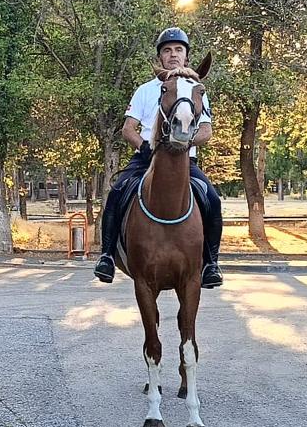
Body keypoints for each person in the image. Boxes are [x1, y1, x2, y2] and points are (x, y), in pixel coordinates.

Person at [94, 27, 223, 288]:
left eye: (178, 50)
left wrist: (184, 142)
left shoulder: (197, 89)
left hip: (184, 161)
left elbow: (206, 131)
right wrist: (145, 147)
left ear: (186, 56)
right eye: (167, 50)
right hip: (146, 159)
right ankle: (107, 255)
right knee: (117, 191)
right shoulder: (145, 90)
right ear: (160, 58)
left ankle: (211, 262)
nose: (173, 54)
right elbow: (128, 129)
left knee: (212, 198)